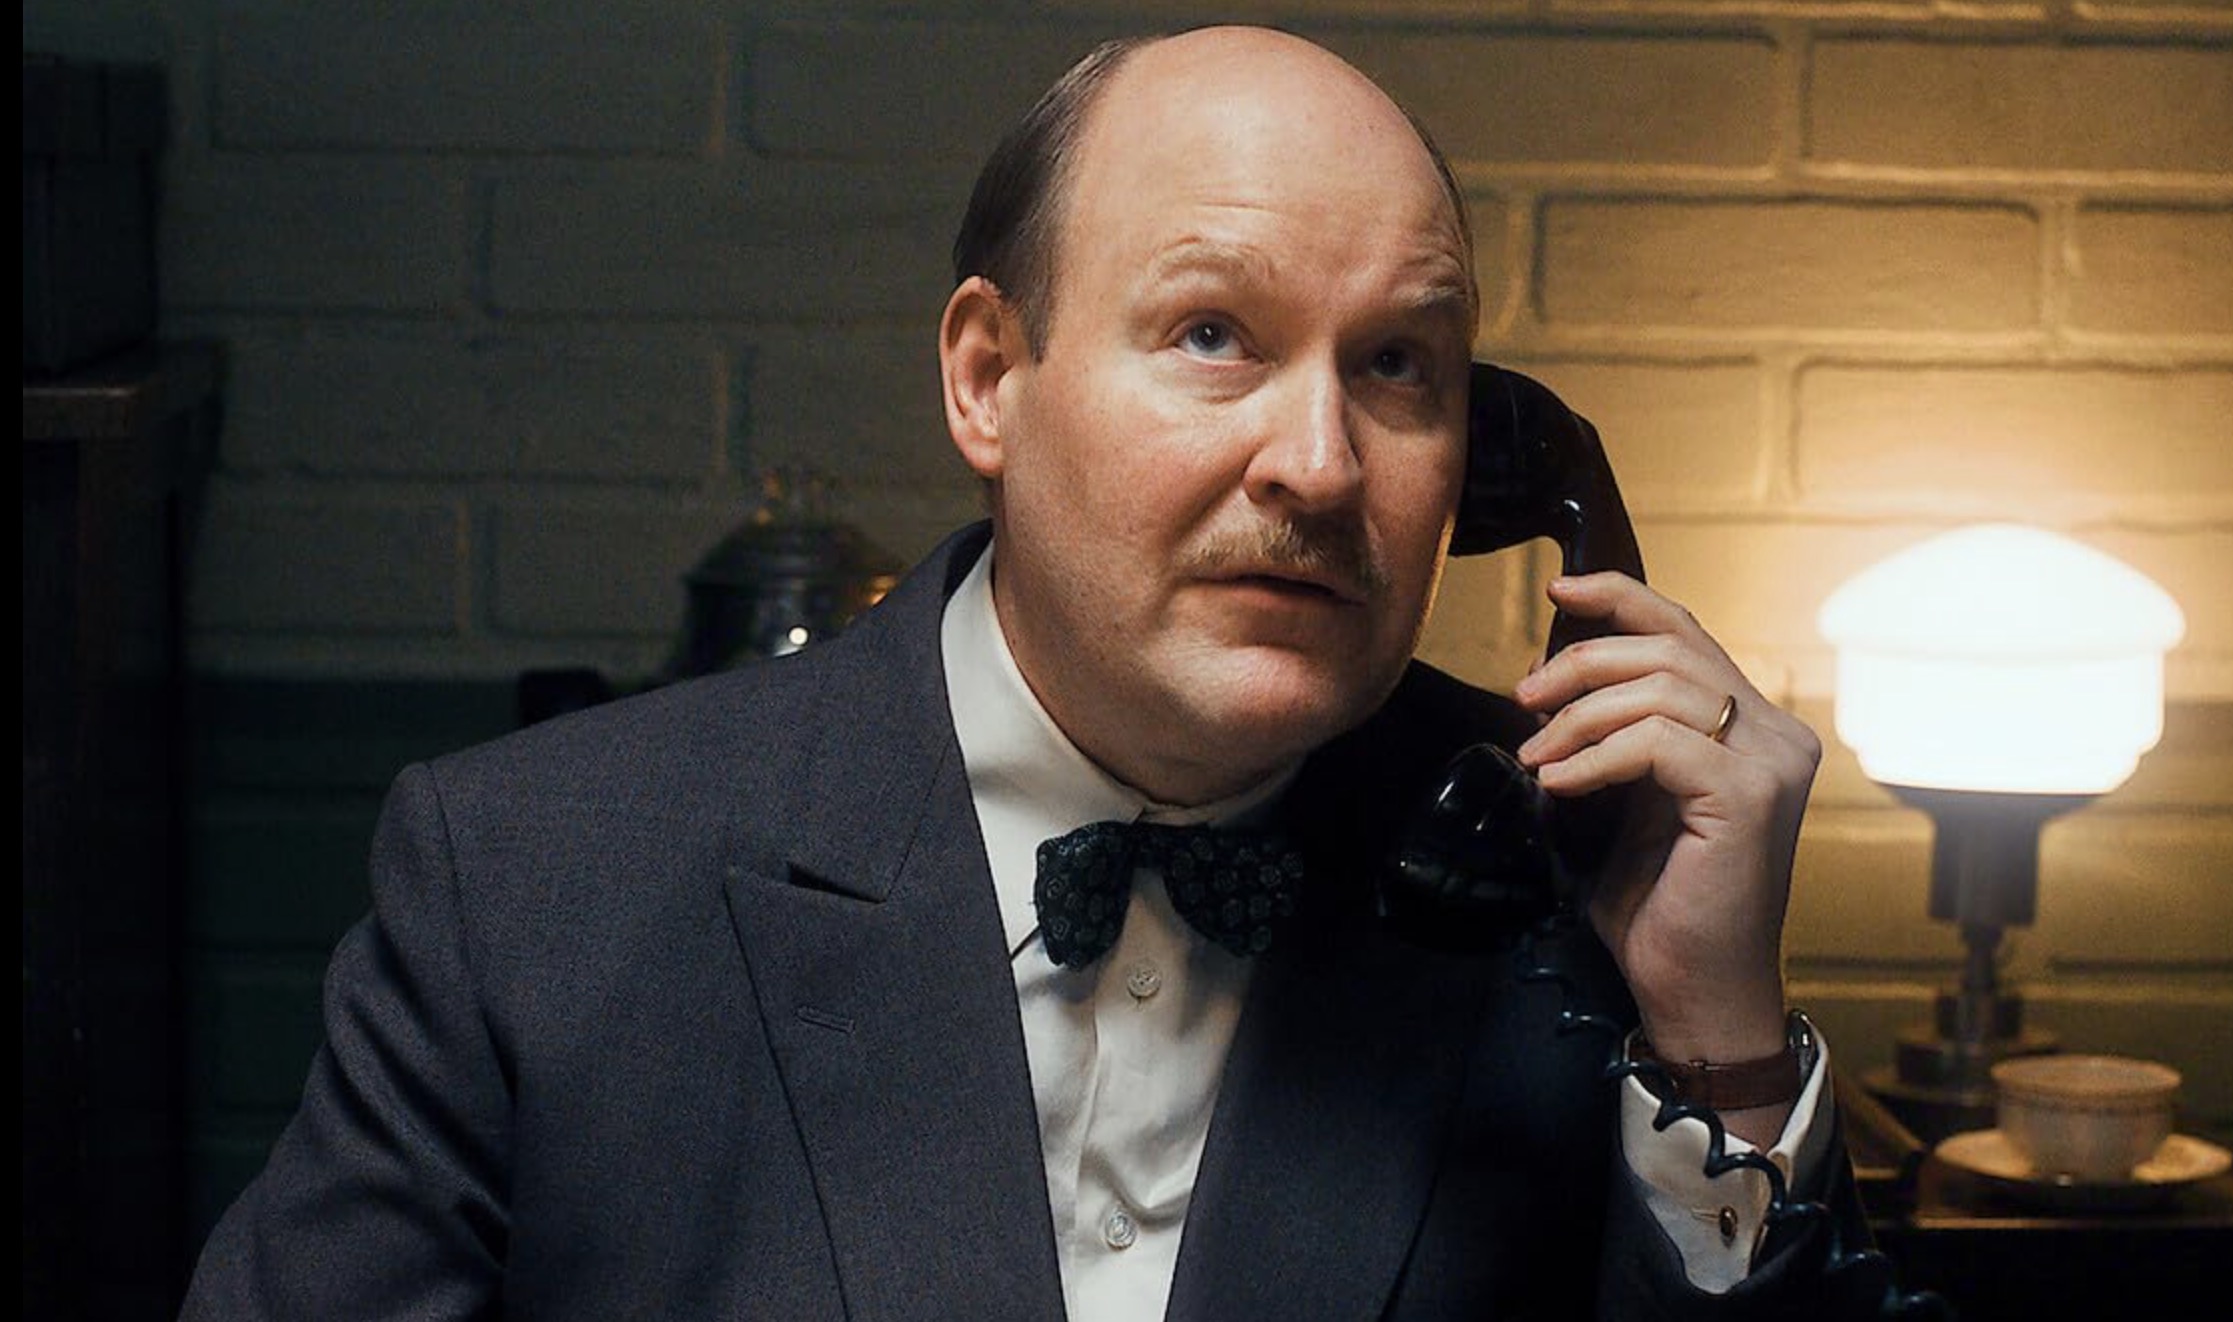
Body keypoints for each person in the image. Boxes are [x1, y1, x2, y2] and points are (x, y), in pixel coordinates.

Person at [181, 25, 1912, 1321]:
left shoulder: (1572, 894)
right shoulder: (531, 879)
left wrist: (1717, 1047)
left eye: (1398, 365)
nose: (1321, 463)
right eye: (1213, 334)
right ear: (988, 378)